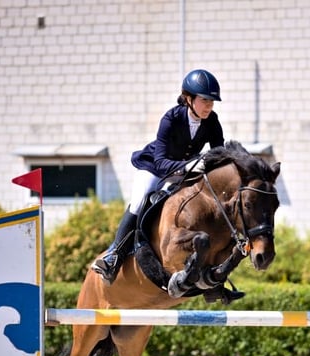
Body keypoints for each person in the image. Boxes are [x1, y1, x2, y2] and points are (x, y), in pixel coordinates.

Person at [91, 69, 225, 283]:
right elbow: (162, 161)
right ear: (188, 99)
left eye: (212, 101)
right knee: (139, 201)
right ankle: (113, 256)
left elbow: (219, 152)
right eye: (205, 100)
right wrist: (191, 165)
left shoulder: (212, 120)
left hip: (186, 171)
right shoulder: (170, 119)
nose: (209, 105)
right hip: (155, 169)